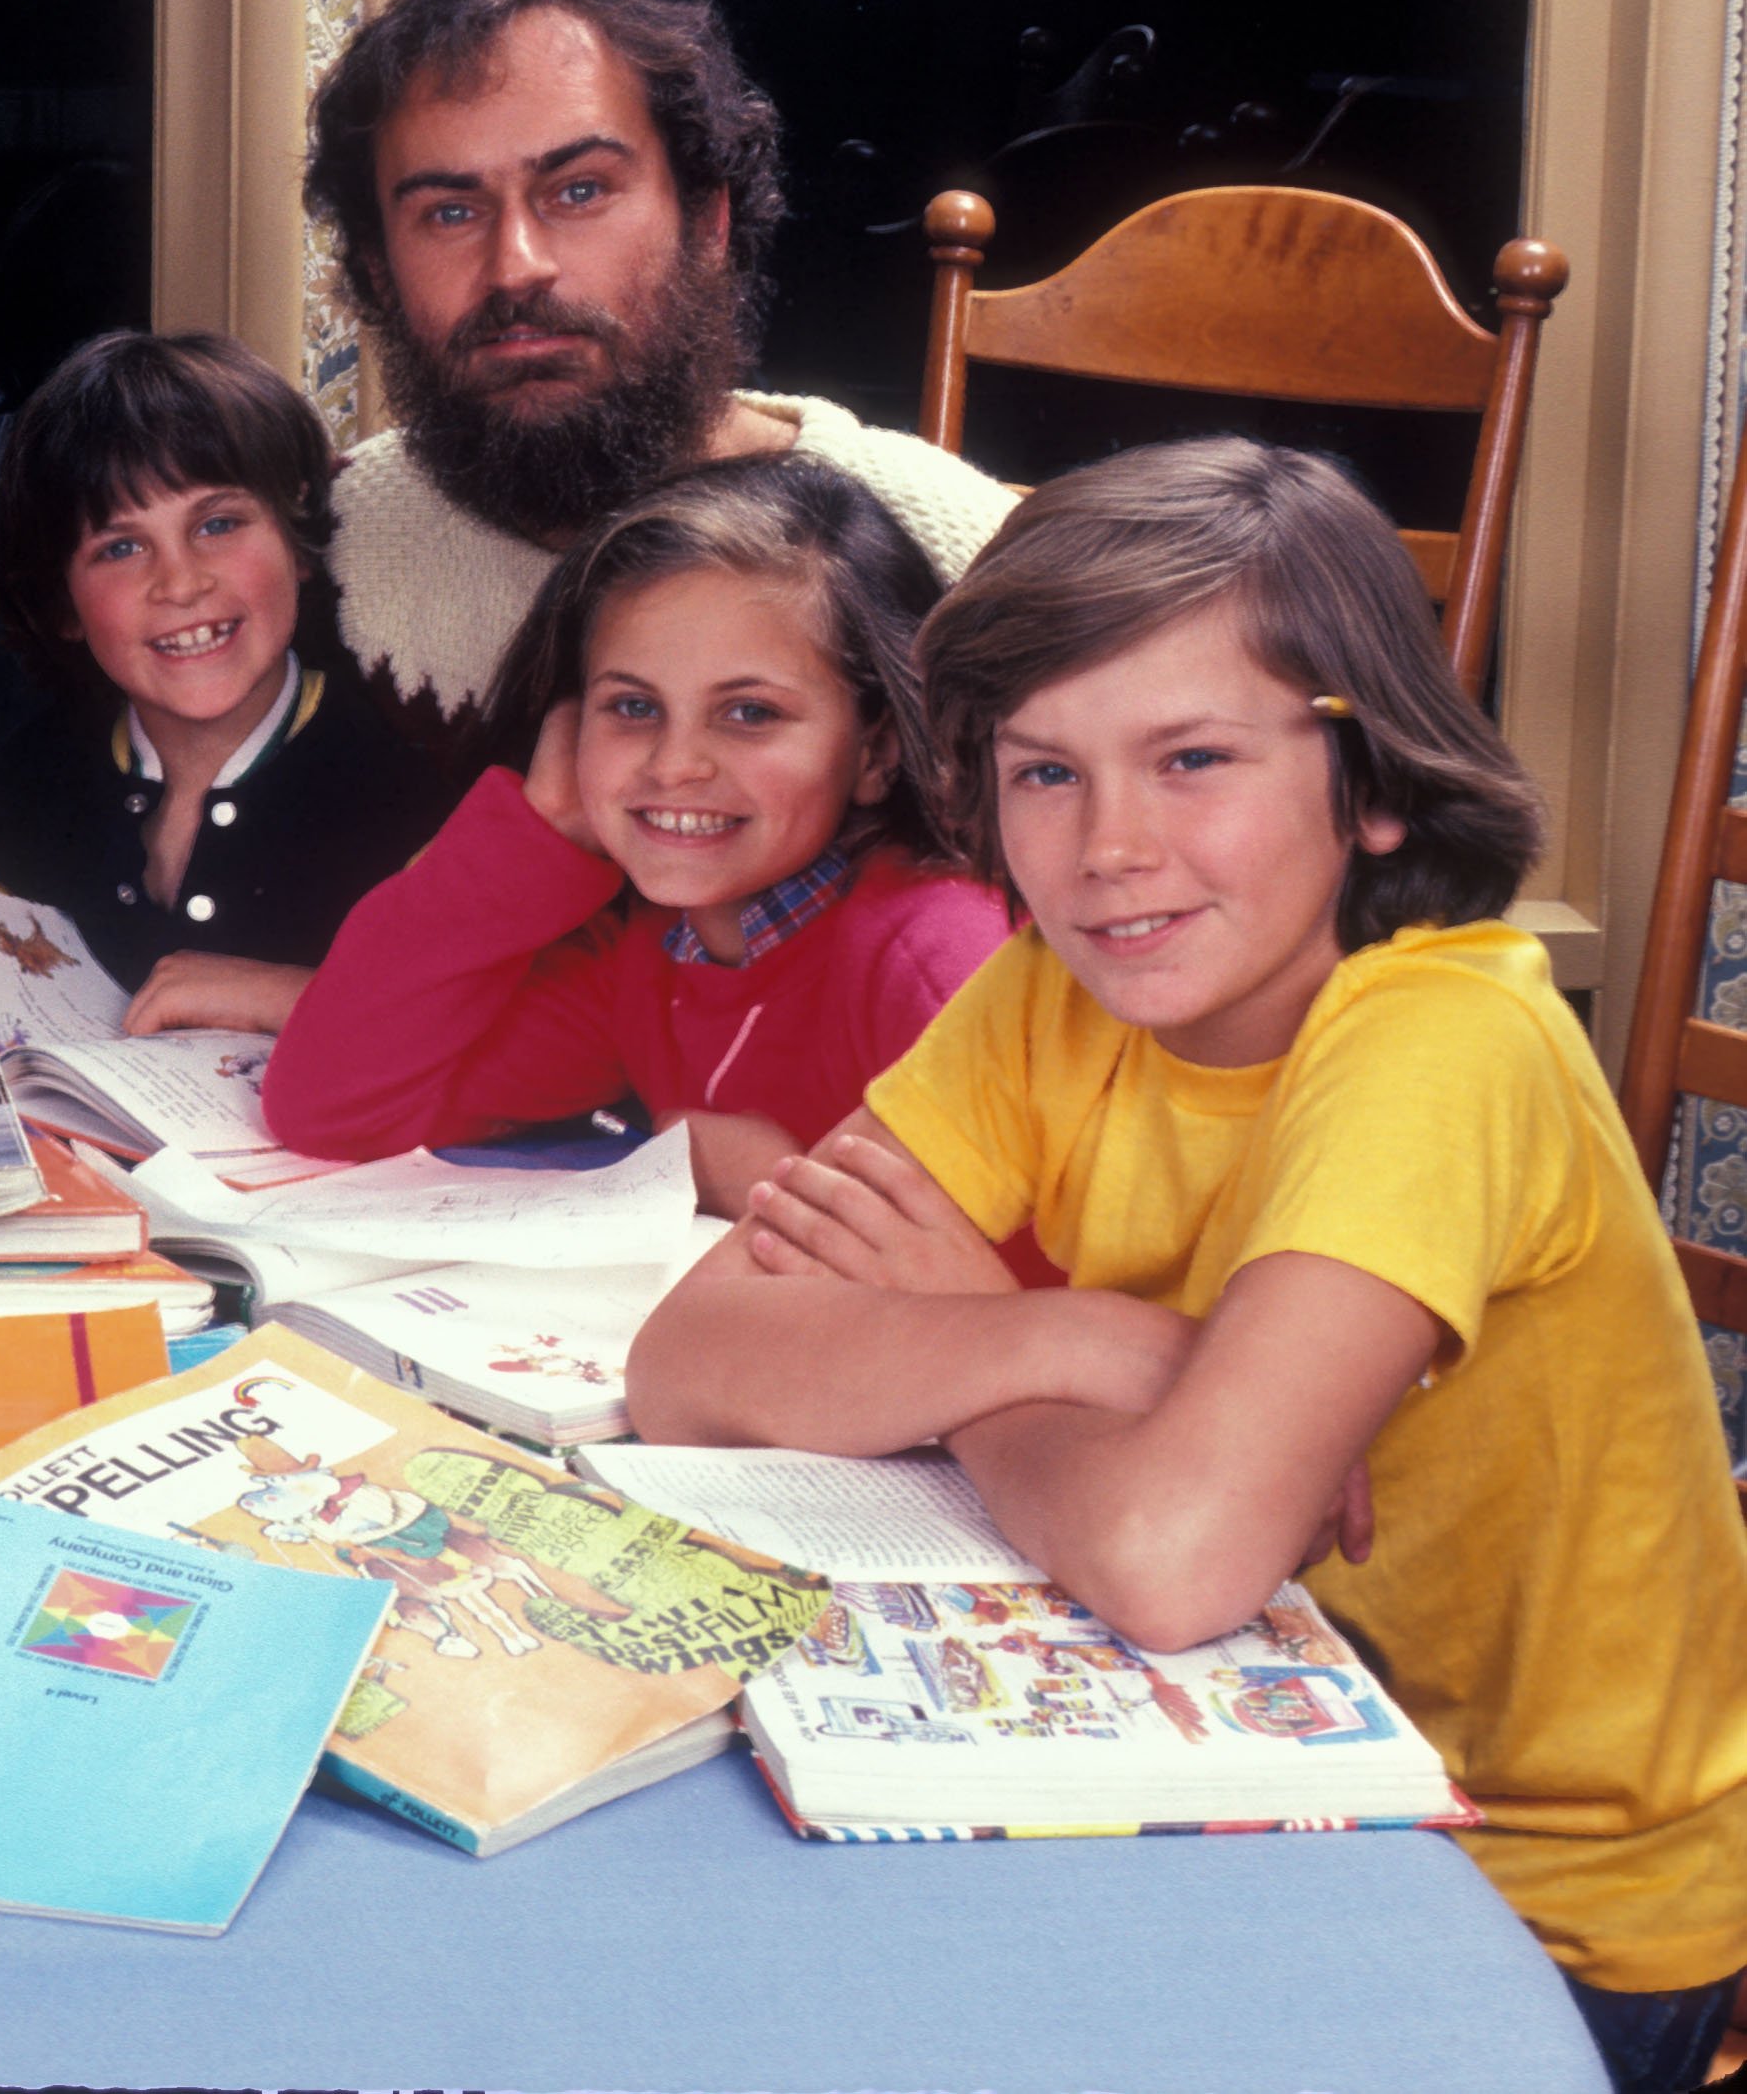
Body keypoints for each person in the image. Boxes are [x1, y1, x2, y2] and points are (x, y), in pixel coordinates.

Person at [619, 440, 1747, 2092]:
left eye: (1193, 757)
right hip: (1239, 1782)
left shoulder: (1448, 1035)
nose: (1108, 849)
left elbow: (1169, 1555)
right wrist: (1102, 1343)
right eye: (1045, 771)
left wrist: (981, 1340)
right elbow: (691, 1364)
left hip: (1539, 1906)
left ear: (1368, 785)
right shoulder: (1056, 987)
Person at [305, 0, 1017, 749]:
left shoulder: (953, 549)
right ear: (379, 269)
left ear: (707, 222)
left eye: (579, 191)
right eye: (450, 212)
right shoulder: (310, 554)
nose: (516, 269)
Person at [264, 459, 1007, 1216]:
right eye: (632, 707)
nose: (675, 765)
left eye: (750, 713)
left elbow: (1062, 1303)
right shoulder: (651, 959)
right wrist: (540, 828)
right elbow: (332, 1109)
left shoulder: (946, 962)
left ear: (875, 752)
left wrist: (795, 1194)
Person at [0, 332, 459, 1035]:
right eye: (120, 548)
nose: (180, 583)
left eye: (218, 524)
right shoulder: (22, 794)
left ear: (298, 541)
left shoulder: (416, 801)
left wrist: (304, 998)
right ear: (61, 604)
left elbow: (502, 1045)